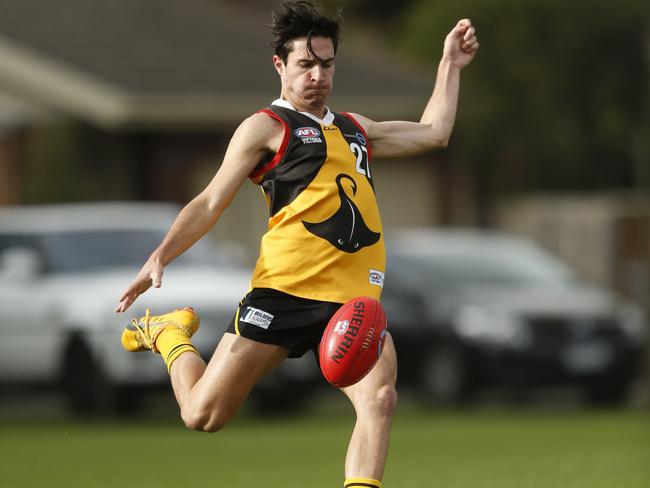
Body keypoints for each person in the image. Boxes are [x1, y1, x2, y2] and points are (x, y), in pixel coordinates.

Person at [116, 2, 478, 487]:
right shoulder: (267, 127)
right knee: (203, 415)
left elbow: (435, 132)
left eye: (326, 64)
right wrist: (159, 257)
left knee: (380, 398)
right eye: (306, 64)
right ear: (280, 65)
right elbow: (208, 203)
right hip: (282, 296)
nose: (317, 75)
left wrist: (449, 65)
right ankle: (169, 335)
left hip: (352, 305)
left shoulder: (355, 129)